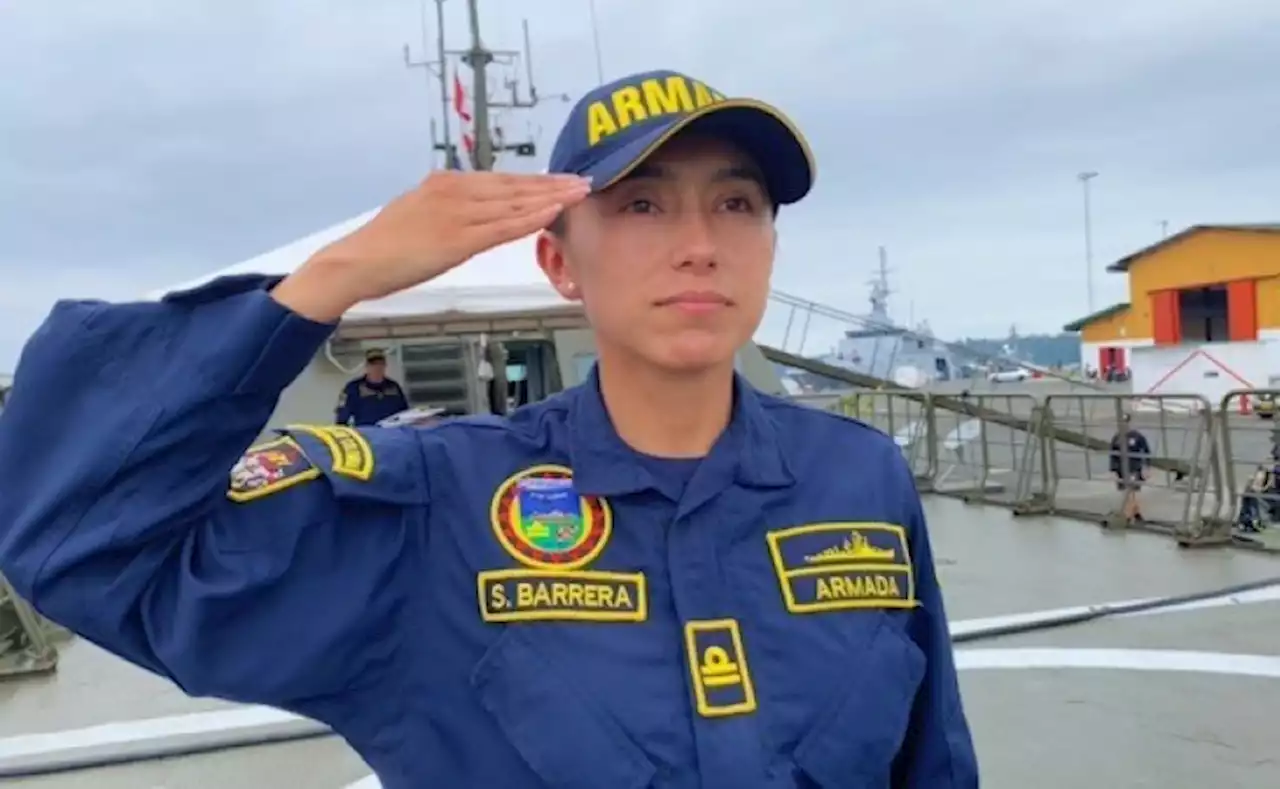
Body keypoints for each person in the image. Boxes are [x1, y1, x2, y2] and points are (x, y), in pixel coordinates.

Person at [0, 69, 977, 788]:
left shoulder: (857, 478)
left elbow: (929, 761)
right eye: (641, 204)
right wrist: (332, 279)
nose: (697, 245)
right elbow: (88, 544)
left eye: (736, 204)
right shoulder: (436, 507)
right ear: (559, 265)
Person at [336, 348, 410, 425]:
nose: (377, 368)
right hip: (367, 434)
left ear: (385, 366)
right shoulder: (353, 388)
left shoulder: (394, 387)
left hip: (391, 433)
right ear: (366, 366)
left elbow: (405, 414)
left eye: (380, 364)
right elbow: (342, 418)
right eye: (373, 364)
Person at [1109, 413, 1150, 522]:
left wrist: (1146, 467)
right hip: (1121, 469)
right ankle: (1135, 513)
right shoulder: (1117, 437)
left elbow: (1146, 451)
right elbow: (1113, 454)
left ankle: (1129, 514)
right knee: (1127, 492)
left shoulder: (1137, 436)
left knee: (1131, 491)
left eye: (1125, 422)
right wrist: (1113, 470)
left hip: (1134, 467)